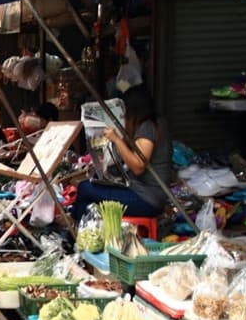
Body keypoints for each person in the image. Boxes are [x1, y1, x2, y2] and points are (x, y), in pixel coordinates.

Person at [71, 84, 172, 222]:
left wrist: (117, 139)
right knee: (90, 186)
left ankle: (79, 231)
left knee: (85, 189)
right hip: (144, 193)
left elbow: (138, 166)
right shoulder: (156, 123)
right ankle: (82, 228)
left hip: (147, 199)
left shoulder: (148, 128)